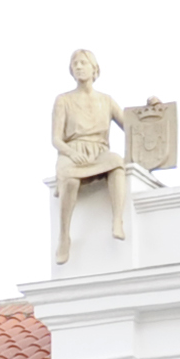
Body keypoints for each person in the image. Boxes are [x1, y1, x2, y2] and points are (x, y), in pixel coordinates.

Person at [50, 50, 140, 263]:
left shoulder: (106, 101)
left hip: (99, 152)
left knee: (117, 163)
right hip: (72, 152)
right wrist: (71, 152)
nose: (79, 67)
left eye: (83, 63)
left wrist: (151, 106)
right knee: (70, 180)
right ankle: (64, 236)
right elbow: (55, 139)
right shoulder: (63, 100)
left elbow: (132, 125)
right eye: (75, 64)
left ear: (94, 69)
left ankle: (117, 219)